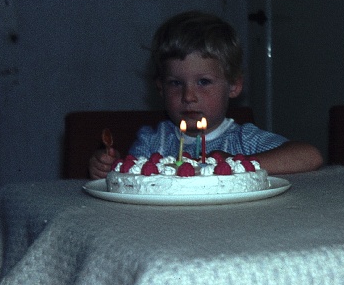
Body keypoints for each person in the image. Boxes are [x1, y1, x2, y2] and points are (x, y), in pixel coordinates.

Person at [89, 10, 323, 179]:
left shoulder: (242, 140)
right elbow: (129, 180)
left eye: (203, 82)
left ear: (234, 86)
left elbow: (310, 156)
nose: (188, 95)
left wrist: (237, 163)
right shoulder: (153, 141)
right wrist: (108, 167)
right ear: (160, 87)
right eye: (175, 83)